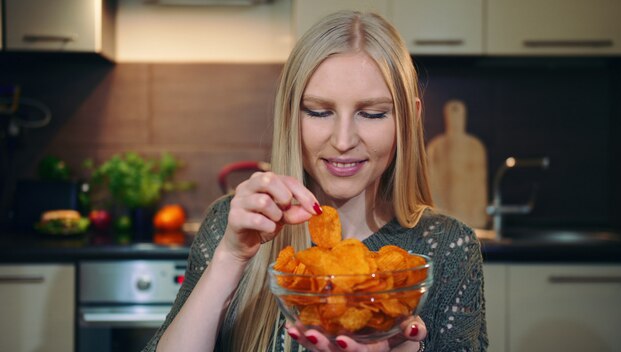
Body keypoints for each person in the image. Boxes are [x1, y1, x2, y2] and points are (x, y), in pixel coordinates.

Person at [143, 10, 487, 352]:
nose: (342, 140)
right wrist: (230, 257)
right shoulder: (232, 225)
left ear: (408, 119)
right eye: (319, 112)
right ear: (292, 114)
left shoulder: (450, 248)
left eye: (372, 113)